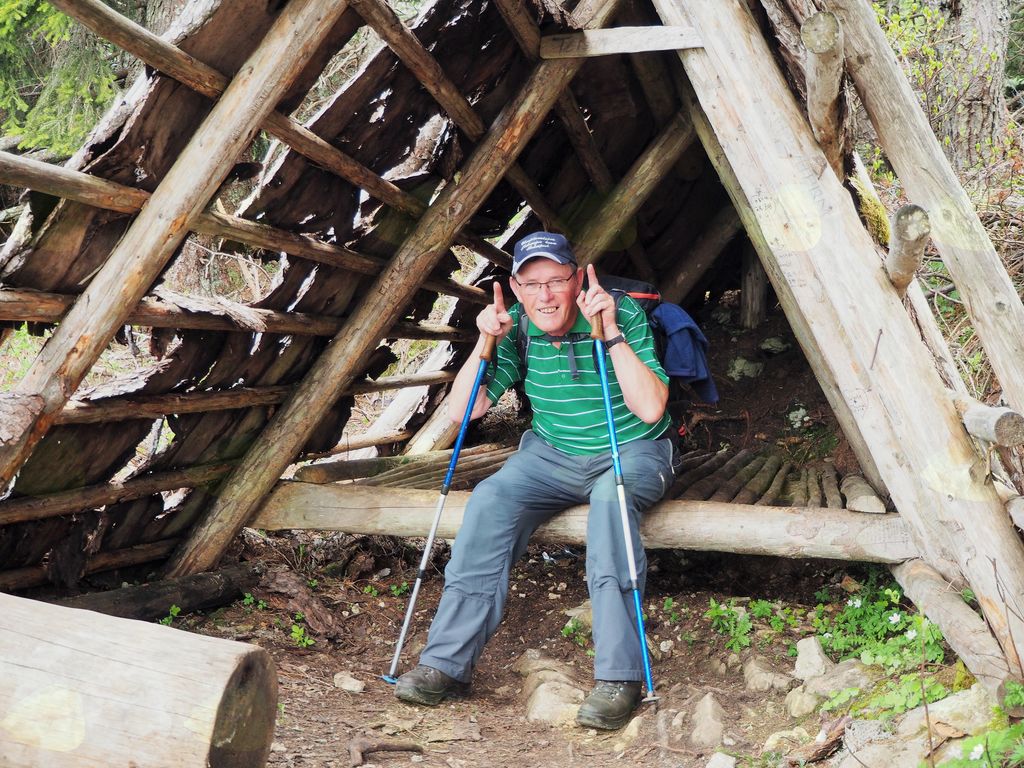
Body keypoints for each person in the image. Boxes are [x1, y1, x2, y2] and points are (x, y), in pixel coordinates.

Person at [394, 231, 675, 730]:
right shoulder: (518, 326)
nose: (544, 295)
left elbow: (651, 408)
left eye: (555, 281)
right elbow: (465, 411)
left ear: (576, 280)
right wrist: (485, 341)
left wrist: (610, 331)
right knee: (488, 501)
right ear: (516, 290)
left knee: (610, 506)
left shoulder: (621, 313)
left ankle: (620, 677)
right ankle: (446, 664)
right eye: (531, 284)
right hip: (551, 454)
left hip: (631, 449)